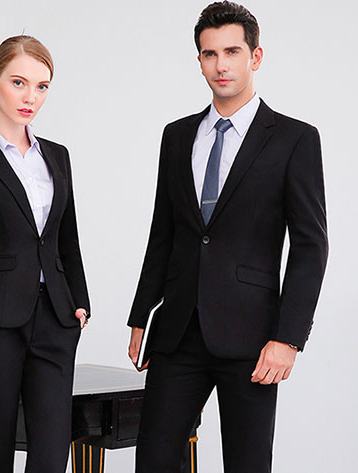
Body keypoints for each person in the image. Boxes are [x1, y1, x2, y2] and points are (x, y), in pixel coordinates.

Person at [127, 2, 328, 472]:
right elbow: (163, 232)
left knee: (247, 464)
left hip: (254, 336)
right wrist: (142, 314)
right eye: (210, 54)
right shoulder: (177, 136)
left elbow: (311, 246)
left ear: (255, 57)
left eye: (232, 51)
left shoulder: (294, 139)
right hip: (177, 331)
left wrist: (288, 338)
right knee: (153, 460)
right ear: (199, 61)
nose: (221, 64)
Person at [0, 35, 90, 473]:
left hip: (56, 321)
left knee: (51, 456)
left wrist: (80, 303)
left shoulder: (57, 157)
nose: (30, 97)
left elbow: (67, 238)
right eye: (19, 82)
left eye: (41, 87)